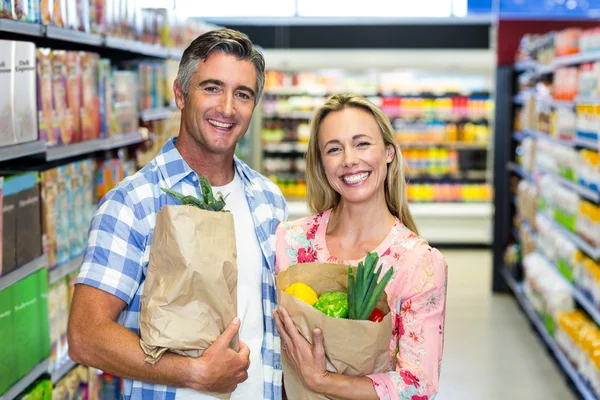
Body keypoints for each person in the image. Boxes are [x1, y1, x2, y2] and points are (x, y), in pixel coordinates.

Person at [67, 29, 287, 400]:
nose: (228, 108)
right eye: (212, 88)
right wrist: (195, 373)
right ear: (181, 95)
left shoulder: (268, 199)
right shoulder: (134, 202)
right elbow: (85, 336)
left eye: (243, 94)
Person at [273, 94, 447, 400]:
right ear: (321, 163)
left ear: (389, 152)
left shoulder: (418, 264)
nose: (349, 159)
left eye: (362, 143)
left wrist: (322, 381)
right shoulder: (291, 242)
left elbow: (417, 385)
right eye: (334, 149)